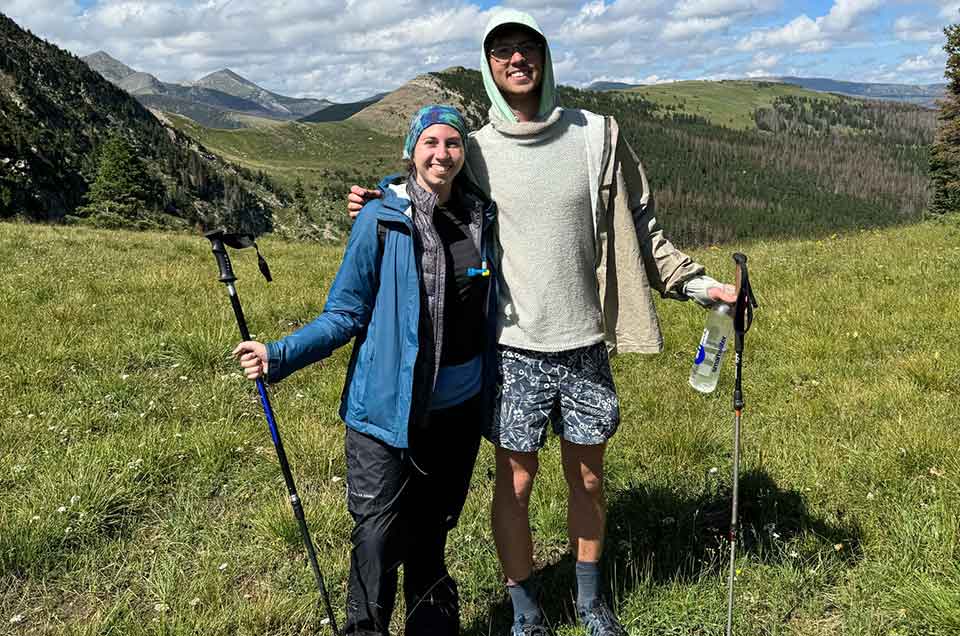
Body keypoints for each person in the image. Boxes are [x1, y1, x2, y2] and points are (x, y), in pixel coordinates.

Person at [349, 10, 736, 636]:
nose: (516, 58)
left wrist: (701, 286)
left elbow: (645, 233)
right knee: (516, 483)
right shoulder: (476, 149)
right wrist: (380, 198)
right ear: (488, 65)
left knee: (588, 479)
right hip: (511, 349)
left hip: (583, 341)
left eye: (527, 46)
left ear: (545, 56)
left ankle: (589, 603)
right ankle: (527, 612)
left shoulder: (598, 136)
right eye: (501, 49)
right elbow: (431, 185)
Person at [235, 105, 496, 636]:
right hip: (384, 410)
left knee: (431, 533)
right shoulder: (381, 219)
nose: (442, 154)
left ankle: (432, 628)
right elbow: (345, 312)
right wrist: (279, 354)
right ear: (411, 150)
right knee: (376, 538)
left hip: (458, 410)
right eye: (431, 143)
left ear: (464, 154)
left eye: (453, 144)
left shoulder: (481, 216)